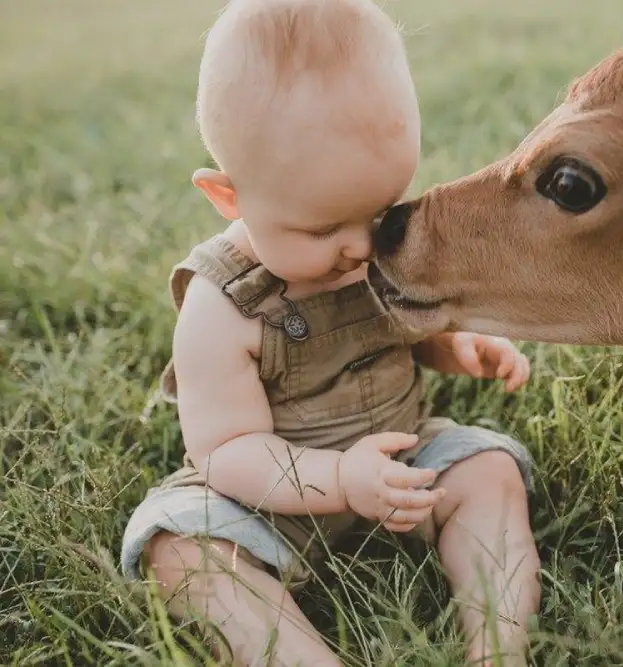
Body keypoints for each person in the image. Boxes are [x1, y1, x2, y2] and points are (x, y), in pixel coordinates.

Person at [118, 1, 540, 665]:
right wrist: (340, 477)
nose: (359, 250)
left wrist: (453, 347)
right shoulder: (222, 304)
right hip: (266, 503)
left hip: (402, 470)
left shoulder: (371, 246)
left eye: (379, 213)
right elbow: (226, 450)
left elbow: (397, 326)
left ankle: (497, 647)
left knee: (489, 471)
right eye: (321, 230)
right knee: (180, 550)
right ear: (229, 197)